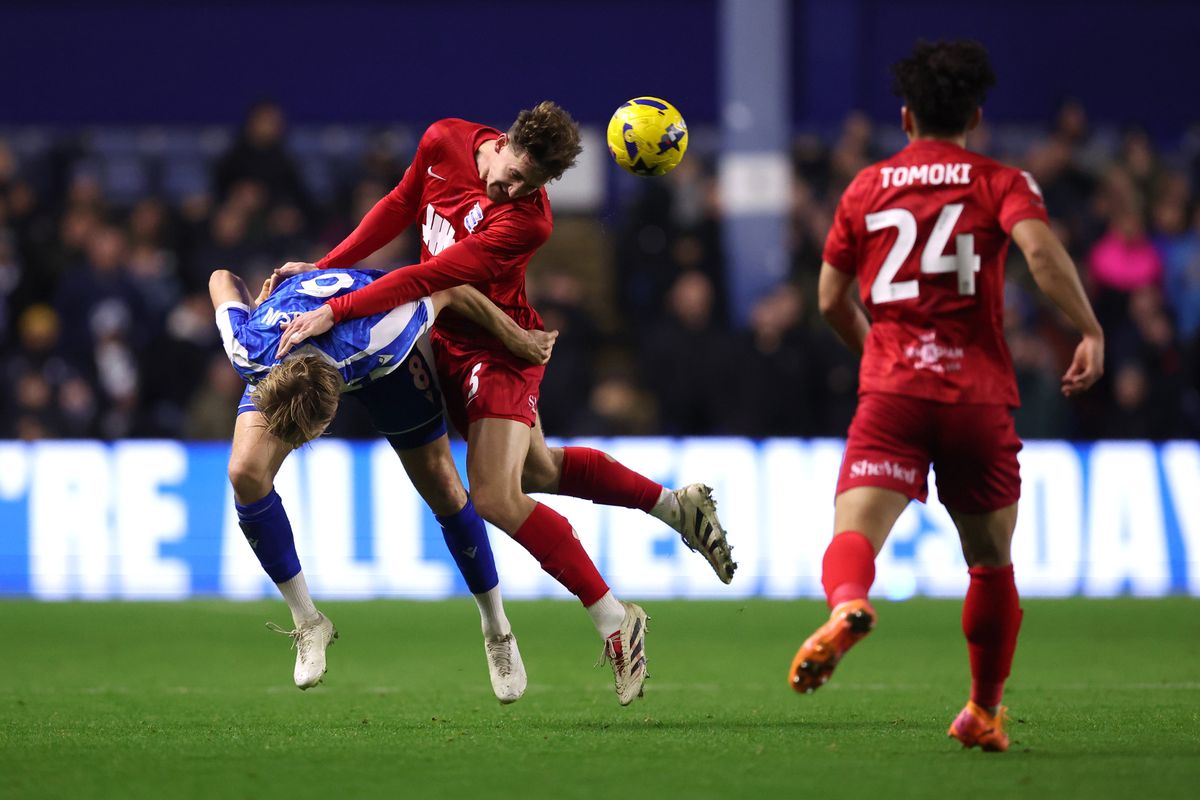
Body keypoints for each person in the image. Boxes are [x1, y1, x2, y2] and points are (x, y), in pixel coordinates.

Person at [274, 101, 736, 705]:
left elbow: (427, 278)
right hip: (446, 343)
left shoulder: (528, 222)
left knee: (493, 494)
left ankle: (613, 619)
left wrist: (333, 306)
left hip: (497, 353)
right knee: (539, 469)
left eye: (530, 187)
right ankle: (676, 506)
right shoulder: (443, 141)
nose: (513, 190)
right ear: (507, 140)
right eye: (515, 174)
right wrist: (327, 269)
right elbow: (398, 205)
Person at [788, 40, 1105, 751]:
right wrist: (1088, 328)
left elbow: (830, 299)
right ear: (976, 116)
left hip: (893, 391)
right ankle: (984, 711)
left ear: (905, 117)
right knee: (990, 564)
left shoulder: (866, 187)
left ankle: (849, 605)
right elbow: (1042, 256)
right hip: (976, 397)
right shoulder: (1002, 181)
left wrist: (880, 353)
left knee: (852, 533)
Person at [209, 266, 555, 703]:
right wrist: (258, 308)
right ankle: (307, 621)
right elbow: (222, 277)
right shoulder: (249, 349)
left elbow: (448, 288)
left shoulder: (385, 333)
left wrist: (516, 338)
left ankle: (497, 629)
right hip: (287, 344)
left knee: (445, 488)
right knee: (244, 472)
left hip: (378, 359)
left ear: (331, 413)